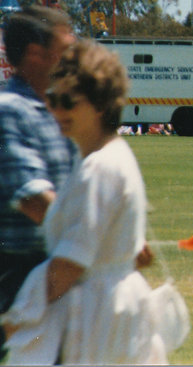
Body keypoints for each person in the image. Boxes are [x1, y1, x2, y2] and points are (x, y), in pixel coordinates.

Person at [1, 40, 167, 364]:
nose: (57, 111)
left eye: (68, 101)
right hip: (103, 310)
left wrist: (15, 322)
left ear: (100, 104)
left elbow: (69, 264)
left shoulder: (100, 166)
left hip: (102, 315)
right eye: (52, 98)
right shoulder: (95, 158)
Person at [0, 7, 78, 356]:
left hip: (57, 265)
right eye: (65, 49)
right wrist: (94, 236)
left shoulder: (57, 109)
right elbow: (34, 201)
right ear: (36, 53)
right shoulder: (10, 110)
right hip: (15, 273)